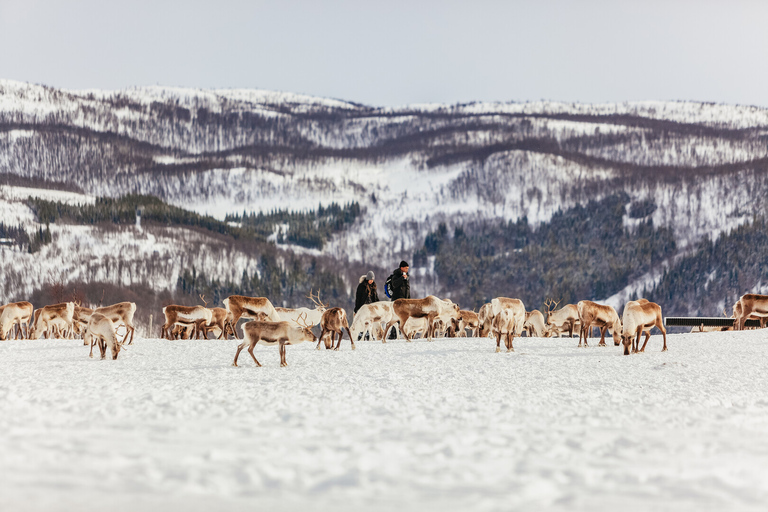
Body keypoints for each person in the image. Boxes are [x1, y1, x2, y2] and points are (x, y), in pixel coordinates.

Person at [388, 260, 410, 339]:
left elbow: (407, 288)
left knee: (403, 317)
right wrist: (401, 278)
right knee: (395, 317)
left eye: (408, 268)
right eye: (406, 268)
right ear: (402, 268)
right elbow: (394, 284)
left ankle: (401, 333)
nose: (407, 270)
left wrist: (408, 299)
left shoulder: (407, 276)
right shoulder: (396, 275)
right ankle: (393, 334)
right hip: (397, 300)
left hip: (405, 300)